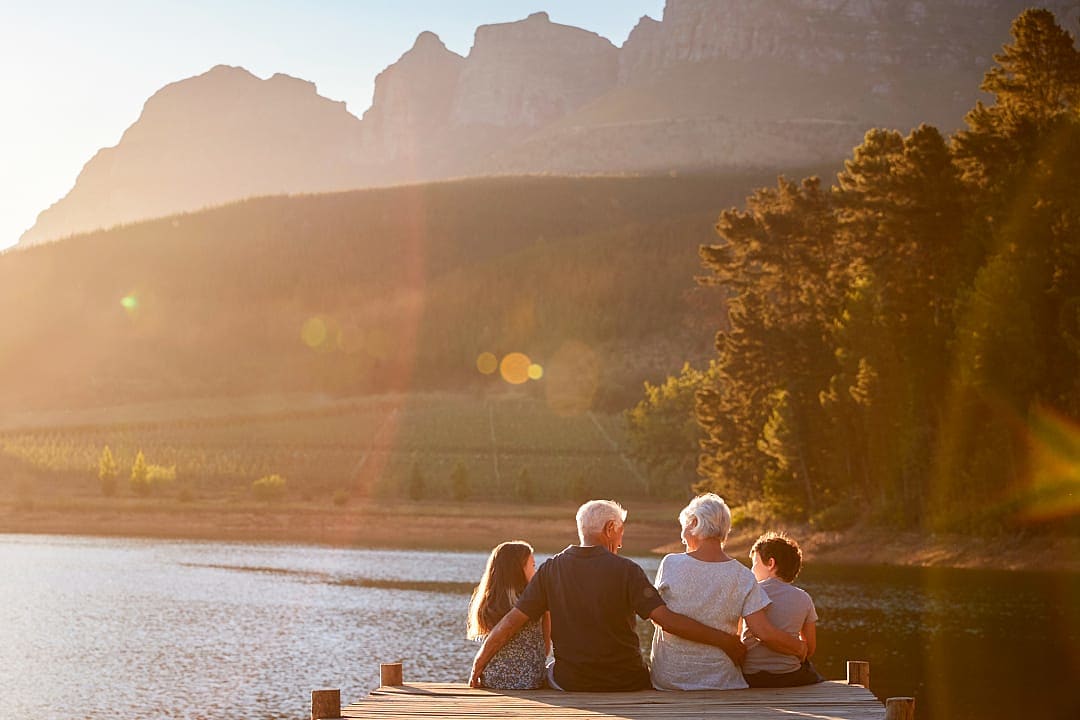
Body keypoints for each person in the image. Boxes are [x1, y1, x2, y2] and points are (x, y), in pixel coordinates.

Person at [468, 499, 750, 692]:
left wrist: (478, 664)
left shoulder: (551, 569)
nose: (621, 541)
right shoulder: (627, 570)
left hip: (571, 682)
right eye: (620, 532)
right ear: (609, 529)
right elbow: (666, 620)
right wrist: (725, 640)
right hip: (627, 681)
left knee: (551, 670)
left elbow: (510, 623)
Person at [649, 494, 808, 690]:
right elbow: (764, 632)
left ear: (695, 522)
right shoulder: (743, 575)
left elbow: (658, 618)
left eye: (684, 526)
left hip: (670, 680)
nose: (682, 535)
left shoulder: (670, 563)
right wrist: (800, 647)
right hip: (721, 681)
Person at [742, 531, 824, 688]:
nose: (752, 570)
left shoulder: (749, 593)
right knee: (811, 672)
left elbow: (739, 637)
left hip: (750, 677)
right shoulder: (804, 598)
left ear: (770, 563)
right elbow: (810, 648)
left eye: (754, 563)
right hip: (788, 675)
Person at [466, 540, 551, 689]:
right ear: (517, 570)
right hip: (529, 680)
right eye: (532, 566)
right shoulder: (534, 602)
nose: (536, 571)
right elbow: (545, 648)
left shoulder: (488, 601)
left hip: (494, 678)